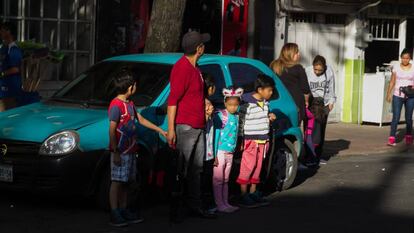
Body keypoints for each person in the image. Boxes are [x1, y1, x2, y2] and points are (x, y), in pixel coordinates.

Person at [166, 31, 217, 219]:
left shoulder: (195, 68)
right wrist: (171, 129)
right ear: (199, 49)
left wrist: (205, 102)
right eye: (203, 44)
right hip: (185, 126)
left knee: (197, 168)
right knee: (181, 169)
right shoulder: (182, 68)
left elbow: (194, 95)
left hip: (198, 124)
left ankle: (194, 206)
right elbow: (173, 100)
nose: (205, 46)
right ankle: (175, 210)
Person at [108, 70, 166, 227]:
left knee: (126, 182)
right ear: (129, 87)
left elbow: (140, 119)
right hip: (121, 151)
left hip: (131, 151)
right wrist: (115, 152)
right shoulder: (116, 105)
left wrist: (159, 129)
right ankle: (115, 212)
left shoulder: (130, 104)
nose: (136, 87)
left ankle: (124, 209)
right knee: (117, 182)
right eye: (134, 85)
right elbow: (112, 130)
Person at [237, 74, 276, 208]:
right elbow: (240, 123)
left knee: (258, 167)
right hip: (250, 141)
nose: (271, 93)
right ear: (260, 90)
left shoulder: (266, 103)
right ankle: (243, 194)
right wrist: (240, 140)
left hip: (263, 141)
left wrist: (269, 117)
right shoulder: (246, 103)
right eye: (269, 90)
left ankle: (253, 192)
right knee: (248, 166)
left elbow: (263, 118)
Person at [212, 87, 243, 213]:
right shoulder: (221, 116)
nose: (233, 107)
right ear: (225, 103)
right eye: (230, 105)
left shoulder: (236, 116)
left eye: (236, 105)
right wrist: (214, 155)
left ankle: (226, 202)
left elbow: (237, 132)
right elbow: (216, 135)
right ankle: (219, 204)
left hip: (230, 152)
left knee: (226, 179)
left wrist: (238, 144)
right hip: (220, 152)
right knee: (218, 179)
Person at [270, 43, 310, 126]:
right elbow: (305, 89)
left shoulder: (274, 65)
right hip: (295, 104)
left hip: (278, 102)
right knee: (293, 128)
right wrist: (306, 100)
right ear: (290, 54)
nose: (299, 54)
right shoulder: (298, 68)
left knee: (277, 129)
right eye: (296, 52)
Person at [305, 55, 336, 161]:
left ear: (324, 67)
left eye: (320, 70)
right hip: (311, 103)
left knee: (321, 130)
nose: (317, 72)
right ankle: (308, 154)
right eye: (315, 69)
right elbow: (304, 88)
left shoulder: (329, 72)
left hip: (324, 104)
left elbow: (332, 88)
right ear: (312, 66)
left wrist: (331, 102)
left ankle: (318, 155)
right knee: (309, 129)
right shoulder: (307, 71)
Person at [386, 48, 414, 146]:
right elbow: (392, 81)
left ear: (410, 58)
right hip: (398, 95)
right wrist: (388, 93)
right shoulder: (396, 67)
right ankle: (392, 138)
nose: (405, 60)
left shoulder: (413, 67)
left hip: (411, 96)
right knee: (396, 117)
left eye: (407, 58)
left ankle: (409, 136)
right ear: (400, 58)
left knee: (409, 118)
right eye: (403, 58)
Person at [202, 72, 217, 213]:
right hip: (205, 149)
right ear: (210, 88)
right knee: (205, 179)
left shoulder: (203, 102)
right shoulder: (206, 103)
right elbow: (202, 125)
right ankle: (205, 204)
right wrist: (207, 115)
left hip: (207, 149)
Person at [0, 22, 23, 111]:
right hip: (2, 90)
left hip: (10, 91)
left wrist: (2, 73)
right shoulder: (3, 48)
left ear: (8, 32)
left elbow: (16, 69)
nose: (0, 33)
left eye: (2, 31)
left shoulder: (14, 49)